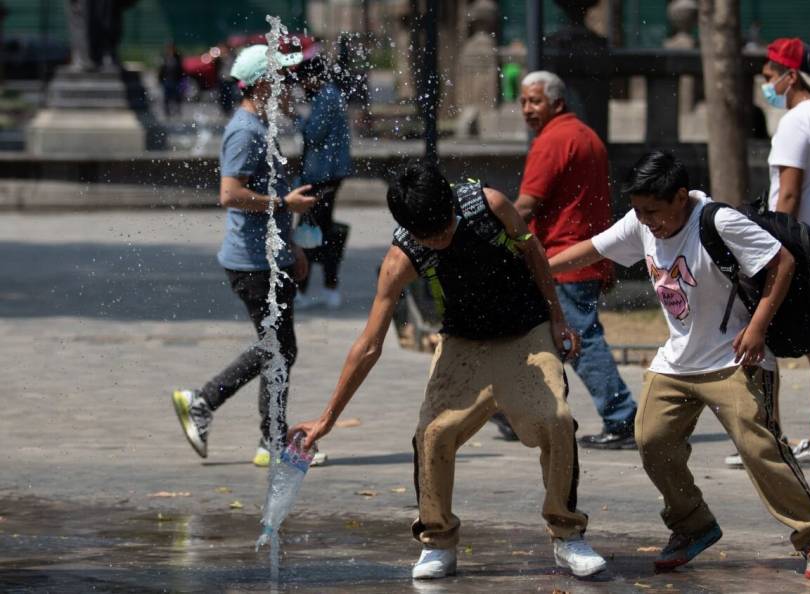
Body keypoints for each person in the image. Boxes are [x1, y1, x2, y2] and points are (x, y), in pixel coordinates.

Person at [288, 162, 607, 580]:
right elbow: (368, 345)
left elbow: (532, 250)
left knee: (557, 420)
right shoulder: (401, 257)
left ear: (451, 204)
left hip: (526, 334)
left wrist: (558, 319)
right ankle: (438, 542)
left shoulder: (489, 205)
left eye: (444, 227)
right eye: (429, 236)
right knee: (433, 433)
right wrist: (327, 418)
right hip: (462, 344)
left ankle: (567, 536)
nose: (440, 239)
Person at [549, 151, 810, 580]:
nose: (646, 221)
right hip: (676, 360)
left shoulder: (718, 221)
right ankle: (693, 524)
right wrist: (535, 267)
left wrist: (758, 327)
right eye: (638, 211)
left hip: (734, 356)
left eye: (654, 211)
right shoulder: (641, 221)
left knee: (759, 448)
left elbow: (783, 262)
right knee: (651, 439)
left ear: (681, 197)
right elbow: (590, 251)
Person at [171, 45, 323, 468]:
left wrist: (292, 244)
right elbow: (230, 194)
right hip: (251, 263)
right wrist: (285, 205)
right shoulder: (245, 131)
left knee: (280, 348)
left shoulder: (262, 125)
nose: (291, 87)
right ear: (262, 84)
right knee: (277, 347)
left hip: (268, 257)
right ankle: (204, 400)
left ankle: (270, 440)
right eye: (283, 79)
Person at [490, 70, 638, 450]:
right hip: (583, 255)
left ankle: (621, 419)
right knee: (531, 333)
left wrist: (483, 229)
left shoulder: (552, 141)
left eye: (534, 101)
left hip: (560, 258)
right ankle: (512, 410)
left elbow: (524, 205)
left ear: (556, 103)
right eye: (523, 101)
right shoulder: (586, 136)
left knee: (579, 339)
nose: (527, 109)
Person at [727, 38, 810, 470]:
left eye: (768, 77)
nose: (766, 85)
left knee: (762, 340)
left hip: (795, 252)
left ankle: (768, 438)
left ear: (790, 75)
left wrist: (772, 247)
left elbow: (791, 192)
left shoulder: (796, 123)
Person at [292, 55, 353, 310]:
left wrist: (294, 116)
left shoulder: (326, 97)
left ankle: (307, 290)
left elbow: (313, 133)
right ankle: (326, 288)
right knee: (320, 230)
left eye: (304, 80)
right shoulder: (331, 95)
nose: (302, 85)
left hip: (321, 177)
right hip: (327, 175)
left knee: (310, 229)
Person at [158, 42, 184, 118]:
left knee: (177, 97)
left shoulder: (178, 57)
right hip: (167, 80)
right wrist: (160, 79)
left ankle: (177, 111)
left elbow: (181, 69)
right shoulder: (165, 57)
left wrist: (181, 79)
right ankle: (167, 112)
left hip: (176, 80)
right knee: (166, 97)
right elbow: (161, 69)